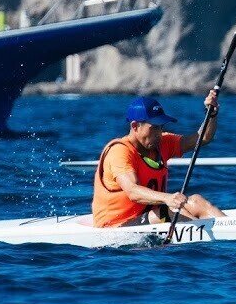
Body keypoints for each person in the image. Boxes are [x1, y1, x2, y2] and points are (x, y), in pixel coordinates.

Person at [92, 92, 225, 227]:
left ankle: (228, 230)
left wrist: (212, 115)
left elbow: (202, 138)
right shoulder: (120, 151)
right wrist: (168, 198)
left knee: (196, 201)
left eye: (161, 126)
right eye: (154, 127)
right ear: (135, 126)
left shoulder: (161, 143)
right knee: (169, 210)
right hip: (116, 226)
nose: (159, 133)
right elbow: (132, 191)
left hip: (149, 216)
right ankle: (209, 234)